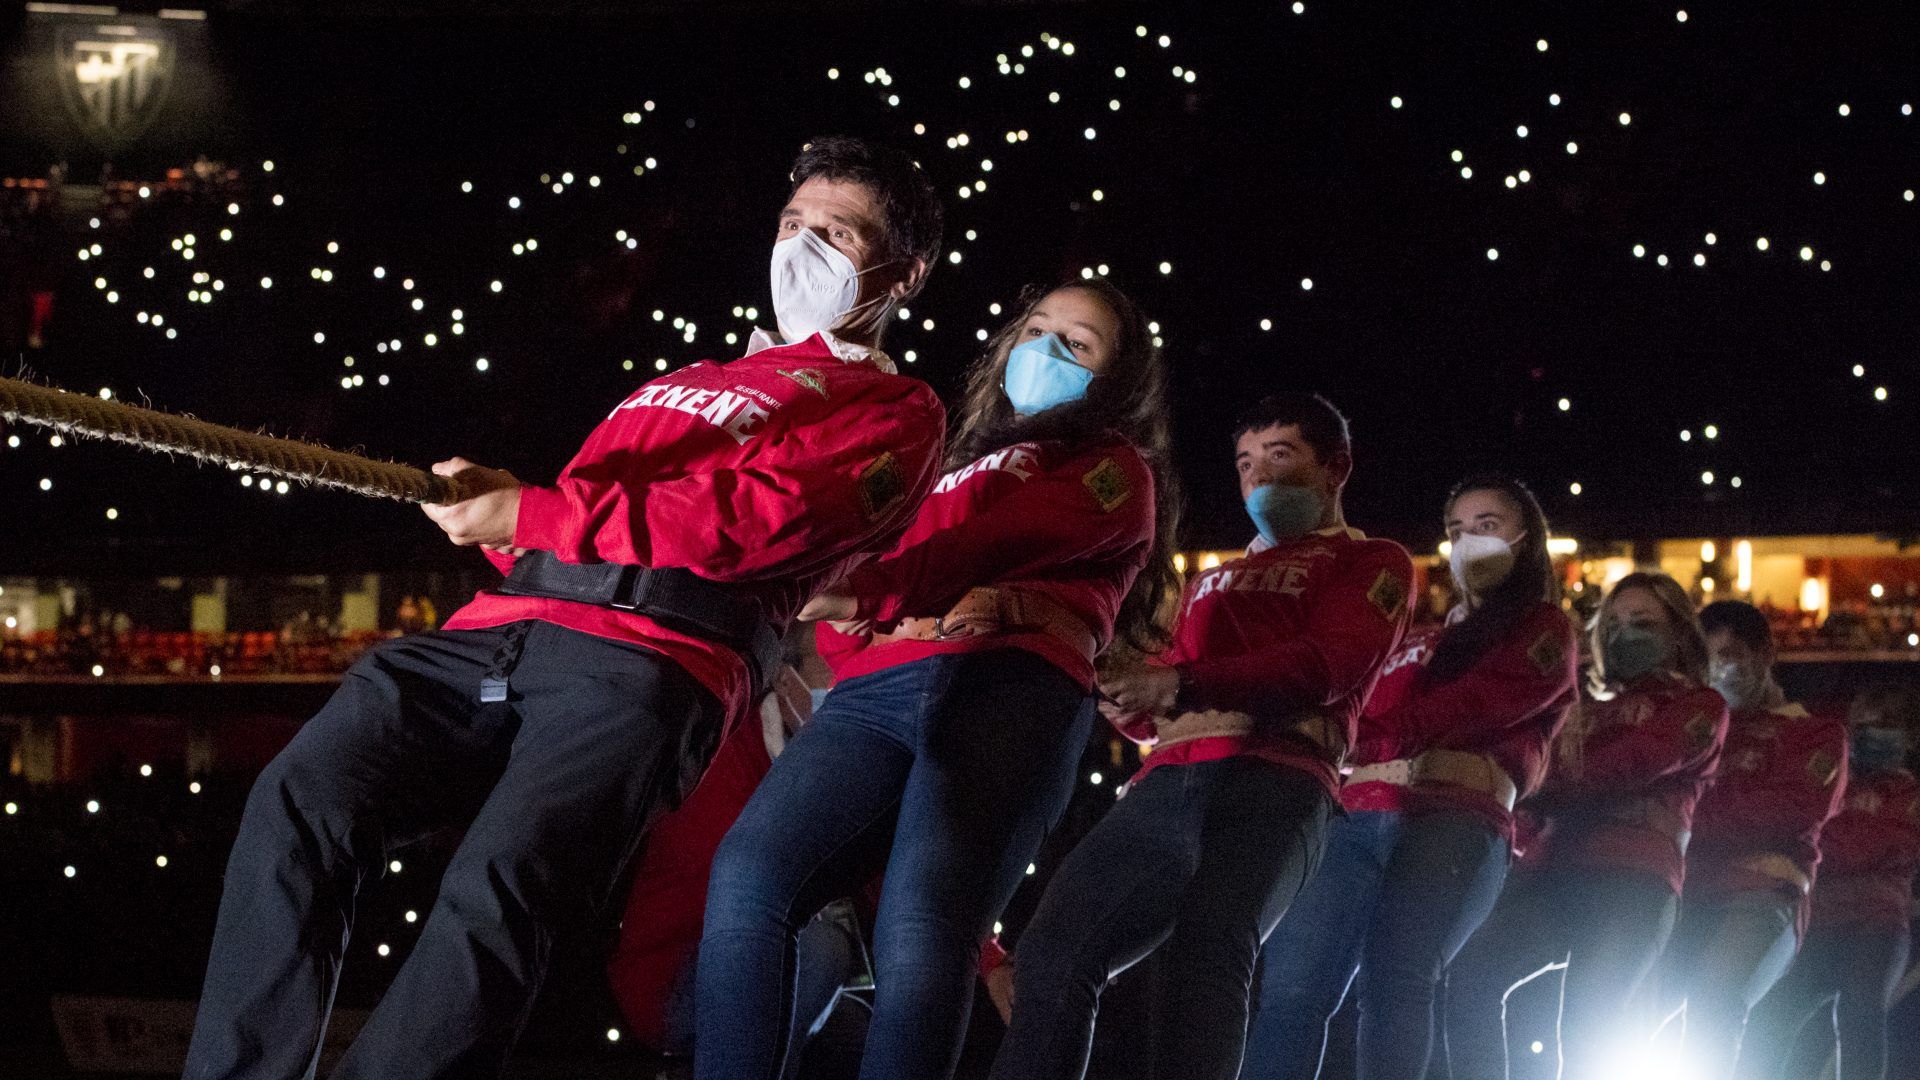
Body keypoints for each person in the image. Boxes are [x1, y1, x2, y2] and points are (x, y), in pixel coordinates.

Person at [181, 135, 948, 1080]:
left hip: (649, 666)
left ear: (904, 273)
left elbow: (749, 523)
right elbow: (584, 529)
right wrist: (498, 516)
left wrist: (532, 510)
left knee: (499, 889)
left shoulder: (894, 410)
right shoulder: (680, 383)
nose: (801, 248)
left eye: (835, 232)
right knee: (303, 795)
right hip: (499, 633)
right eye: (792, 224)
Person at [695, 277, 1176, 1080]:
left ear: (1115, 381)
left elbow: (986, 546)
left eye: (1078, 345)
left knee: (922, 930)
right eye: (1036, 330)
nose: (1046, 351)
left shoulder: (1115, 472)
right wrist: (862, 608)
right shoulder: (942, 461)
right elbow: (854, 606)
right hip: (876, 692)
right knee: (749, 870)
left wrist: (876, 594)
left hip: (1009, 687)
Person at [987, 392, 1415, 1080]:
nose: (1259, 480)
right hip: (1166, 782)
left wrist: (1181, 686)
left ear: (1337, 468)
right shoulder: (1207, 578)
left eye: (1281, 458)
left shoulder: (1374, 564)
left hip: (1277, 781)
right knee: (1054, 950)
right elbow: (1152, 695)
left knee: (1209, 952)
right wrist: (1126, 692)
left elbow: (1327, 665)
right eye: (1245, 464)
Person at [1243, 474, 1578, 1080]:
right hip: (1356, 816)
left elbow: (1476, 704)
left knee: (1397, 978)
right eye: (1456, 530)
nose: (1467, 541)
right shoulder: (1415, 636)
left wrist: (1369, 740)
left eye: (1487, 526)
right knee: (1293, 990)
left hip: (1453, 818)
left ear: (1527, 541)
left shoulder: (1544, 630)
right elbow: (1354, 703)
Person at [1444, 571, 1729, 1080]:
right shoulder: (1586, 710)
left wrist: (1541, 778)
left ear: (1680, 633)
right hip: (1554, 872)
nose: (1625, 634)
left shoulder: (1700, 707)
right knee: (1467, 978)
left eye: (1642, 621)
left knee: (1586, 1026)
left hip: (1633, 881)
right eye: (1614, 623)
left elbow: (1631, 763)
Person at [1660, 600, 1849, 1079]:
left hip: (1761, 901)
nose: (1721, 667)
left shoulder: (1815, 734)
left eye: (1731, 653)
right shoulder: (1698, 727)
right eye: (1710, 657)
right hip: (1681, 895)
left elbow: (1792, 811)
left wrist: (1692, 820)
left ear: (1766, 654)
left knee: (1714, 1003)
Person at [1739, 686, 1919, 1080]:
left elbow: (1879, 844)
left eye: (1886, 725)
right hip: (1818, 921)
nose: (1874, 732)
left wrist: (1821, 846)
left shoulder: (1909, 794)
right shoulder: (1833, 778)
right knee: (1770, 1018)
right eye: (1866, 723)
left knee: (1859, 1014)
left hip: (1876, 925)